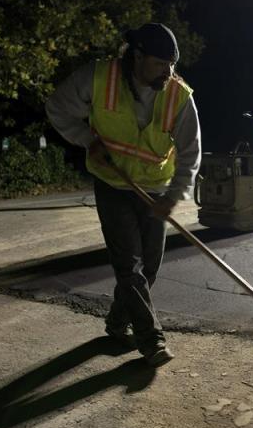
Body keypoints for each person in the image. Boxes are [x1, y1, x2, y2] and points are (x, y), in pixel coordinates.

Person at [46, 23, 201, 367]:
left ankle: (117, 322)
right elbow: (57, 107)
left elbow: (190, 154)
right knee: (129, 265)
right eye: (161, 64)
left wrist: (172, 197)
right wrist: (88, 140)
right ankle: (152, 340)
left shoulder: (178, 96)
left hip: (155, 190)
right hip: (113, 186)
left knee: (150, 266)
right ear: (138, 56)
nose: (168, 72)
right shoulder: (99, 78)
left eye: (171, 65)